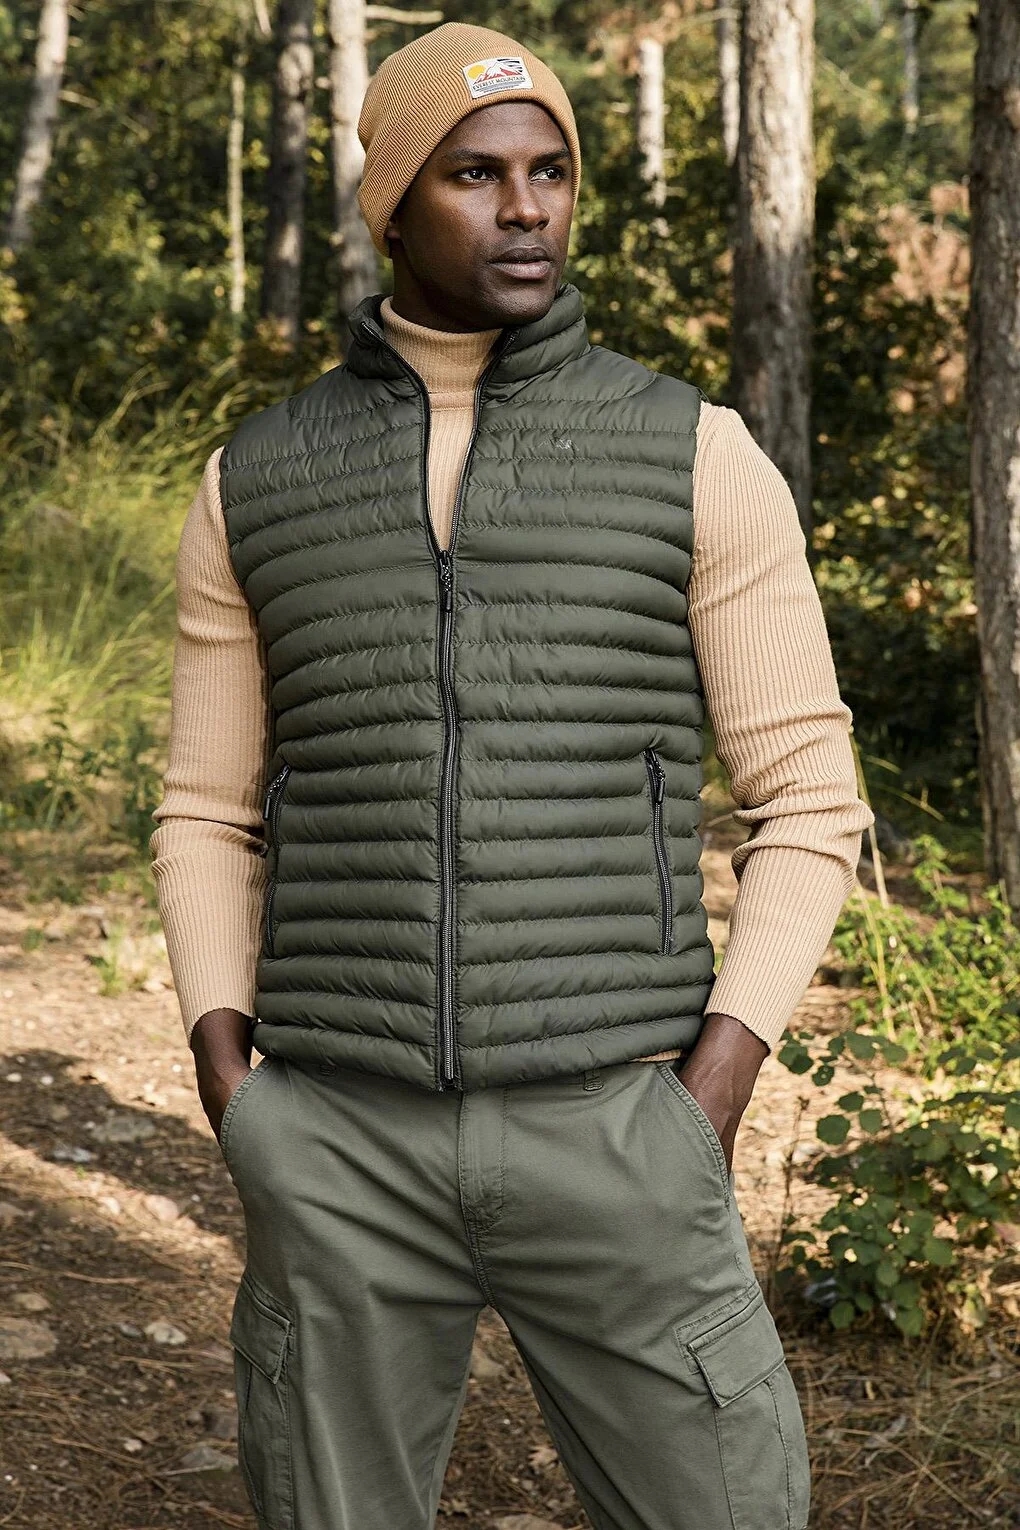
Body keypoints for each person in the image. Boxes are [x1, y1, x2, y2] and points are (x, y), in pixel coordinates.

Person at [151, 21, 872, 1530]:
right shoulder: (257, 476)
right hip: (339, 1135)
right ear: (394, 204)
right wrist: (235, 1081)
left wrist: (713, 1085)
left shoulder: (692, 453)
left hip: (618, 1124)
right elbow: (207, 810)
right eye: (475, 175)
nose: (528, 207)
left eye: (550, 171)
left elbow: (808, 795)